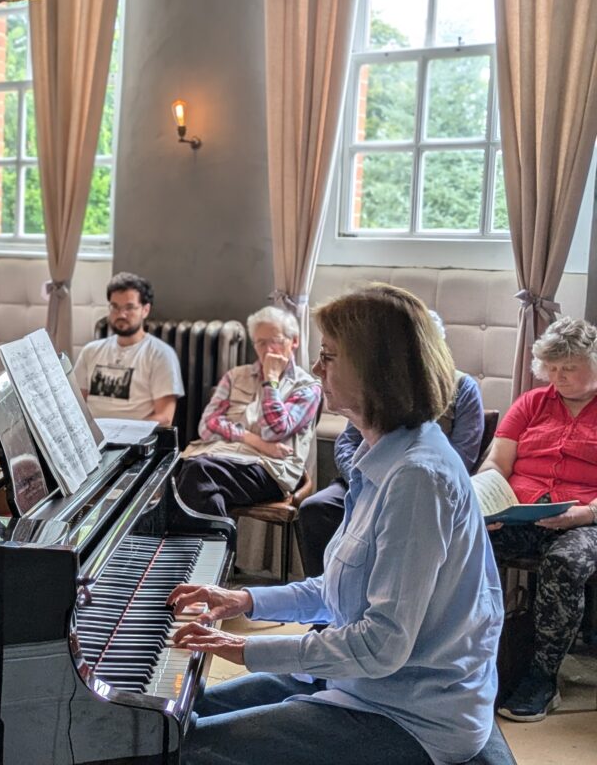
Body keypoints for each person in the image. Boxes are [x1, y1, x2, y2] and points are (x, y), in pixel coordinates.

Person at [168, 284, 503, 765]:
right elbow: (340, 590)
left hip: (409, 713)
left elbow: (382, 643)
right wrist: (245, 599)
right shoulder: (381, 453)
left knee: (190, 748)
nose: (318, 369)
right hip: (356, 683)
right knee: (172, 716)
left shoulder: (416, 478)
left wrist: (244, 648)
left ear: (375, 370)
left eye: (329, 356)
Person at [296, 310, 485, 577]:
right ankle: (325, 605)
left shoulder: (463, 387)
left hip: (418, 490)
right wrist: (362, 476)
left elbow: (462, 456)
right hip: (362, 478)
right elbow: (346, 442)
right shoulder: (378, 387)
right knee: (316, 509)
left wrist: (393, 483)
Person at [481, 316, 597, 723]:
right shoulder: (531, 403)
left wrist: (587, 513)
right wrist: (485, 502)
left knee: (565, 563)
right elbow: (497, 462)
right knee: (467, 541)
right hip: (522, 511)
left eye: (569, 367)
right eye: (551, 368)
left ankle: (541, 678)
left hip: (586, 518)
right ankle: (471, 656)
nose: (558, 377)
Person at [174, 306, 320, 516]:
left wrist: (271, 380)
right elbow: (206, 426)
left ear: (294, 341)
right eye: (261, 342)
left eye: (276, 340)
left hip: (270, 470)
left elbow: (275, 430)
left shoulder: (307, 388)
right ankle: (215, 545)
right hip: (218, 457)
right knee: (192, 479)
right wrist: (254, 440)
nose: (268, 349)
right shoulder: (235, 376)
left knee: (197, 473)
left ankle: (192, 547)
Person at [72, 272, 183, 426]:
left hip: (134, 441)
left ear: (145, 310)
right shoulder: (90, 351)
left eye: (129, 307)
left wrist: (124, 430)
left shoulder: (161, 354)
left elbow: (164, 418)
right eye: (115, 307)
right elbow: (75, 404)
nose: (121, 314)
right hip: (91, 437)